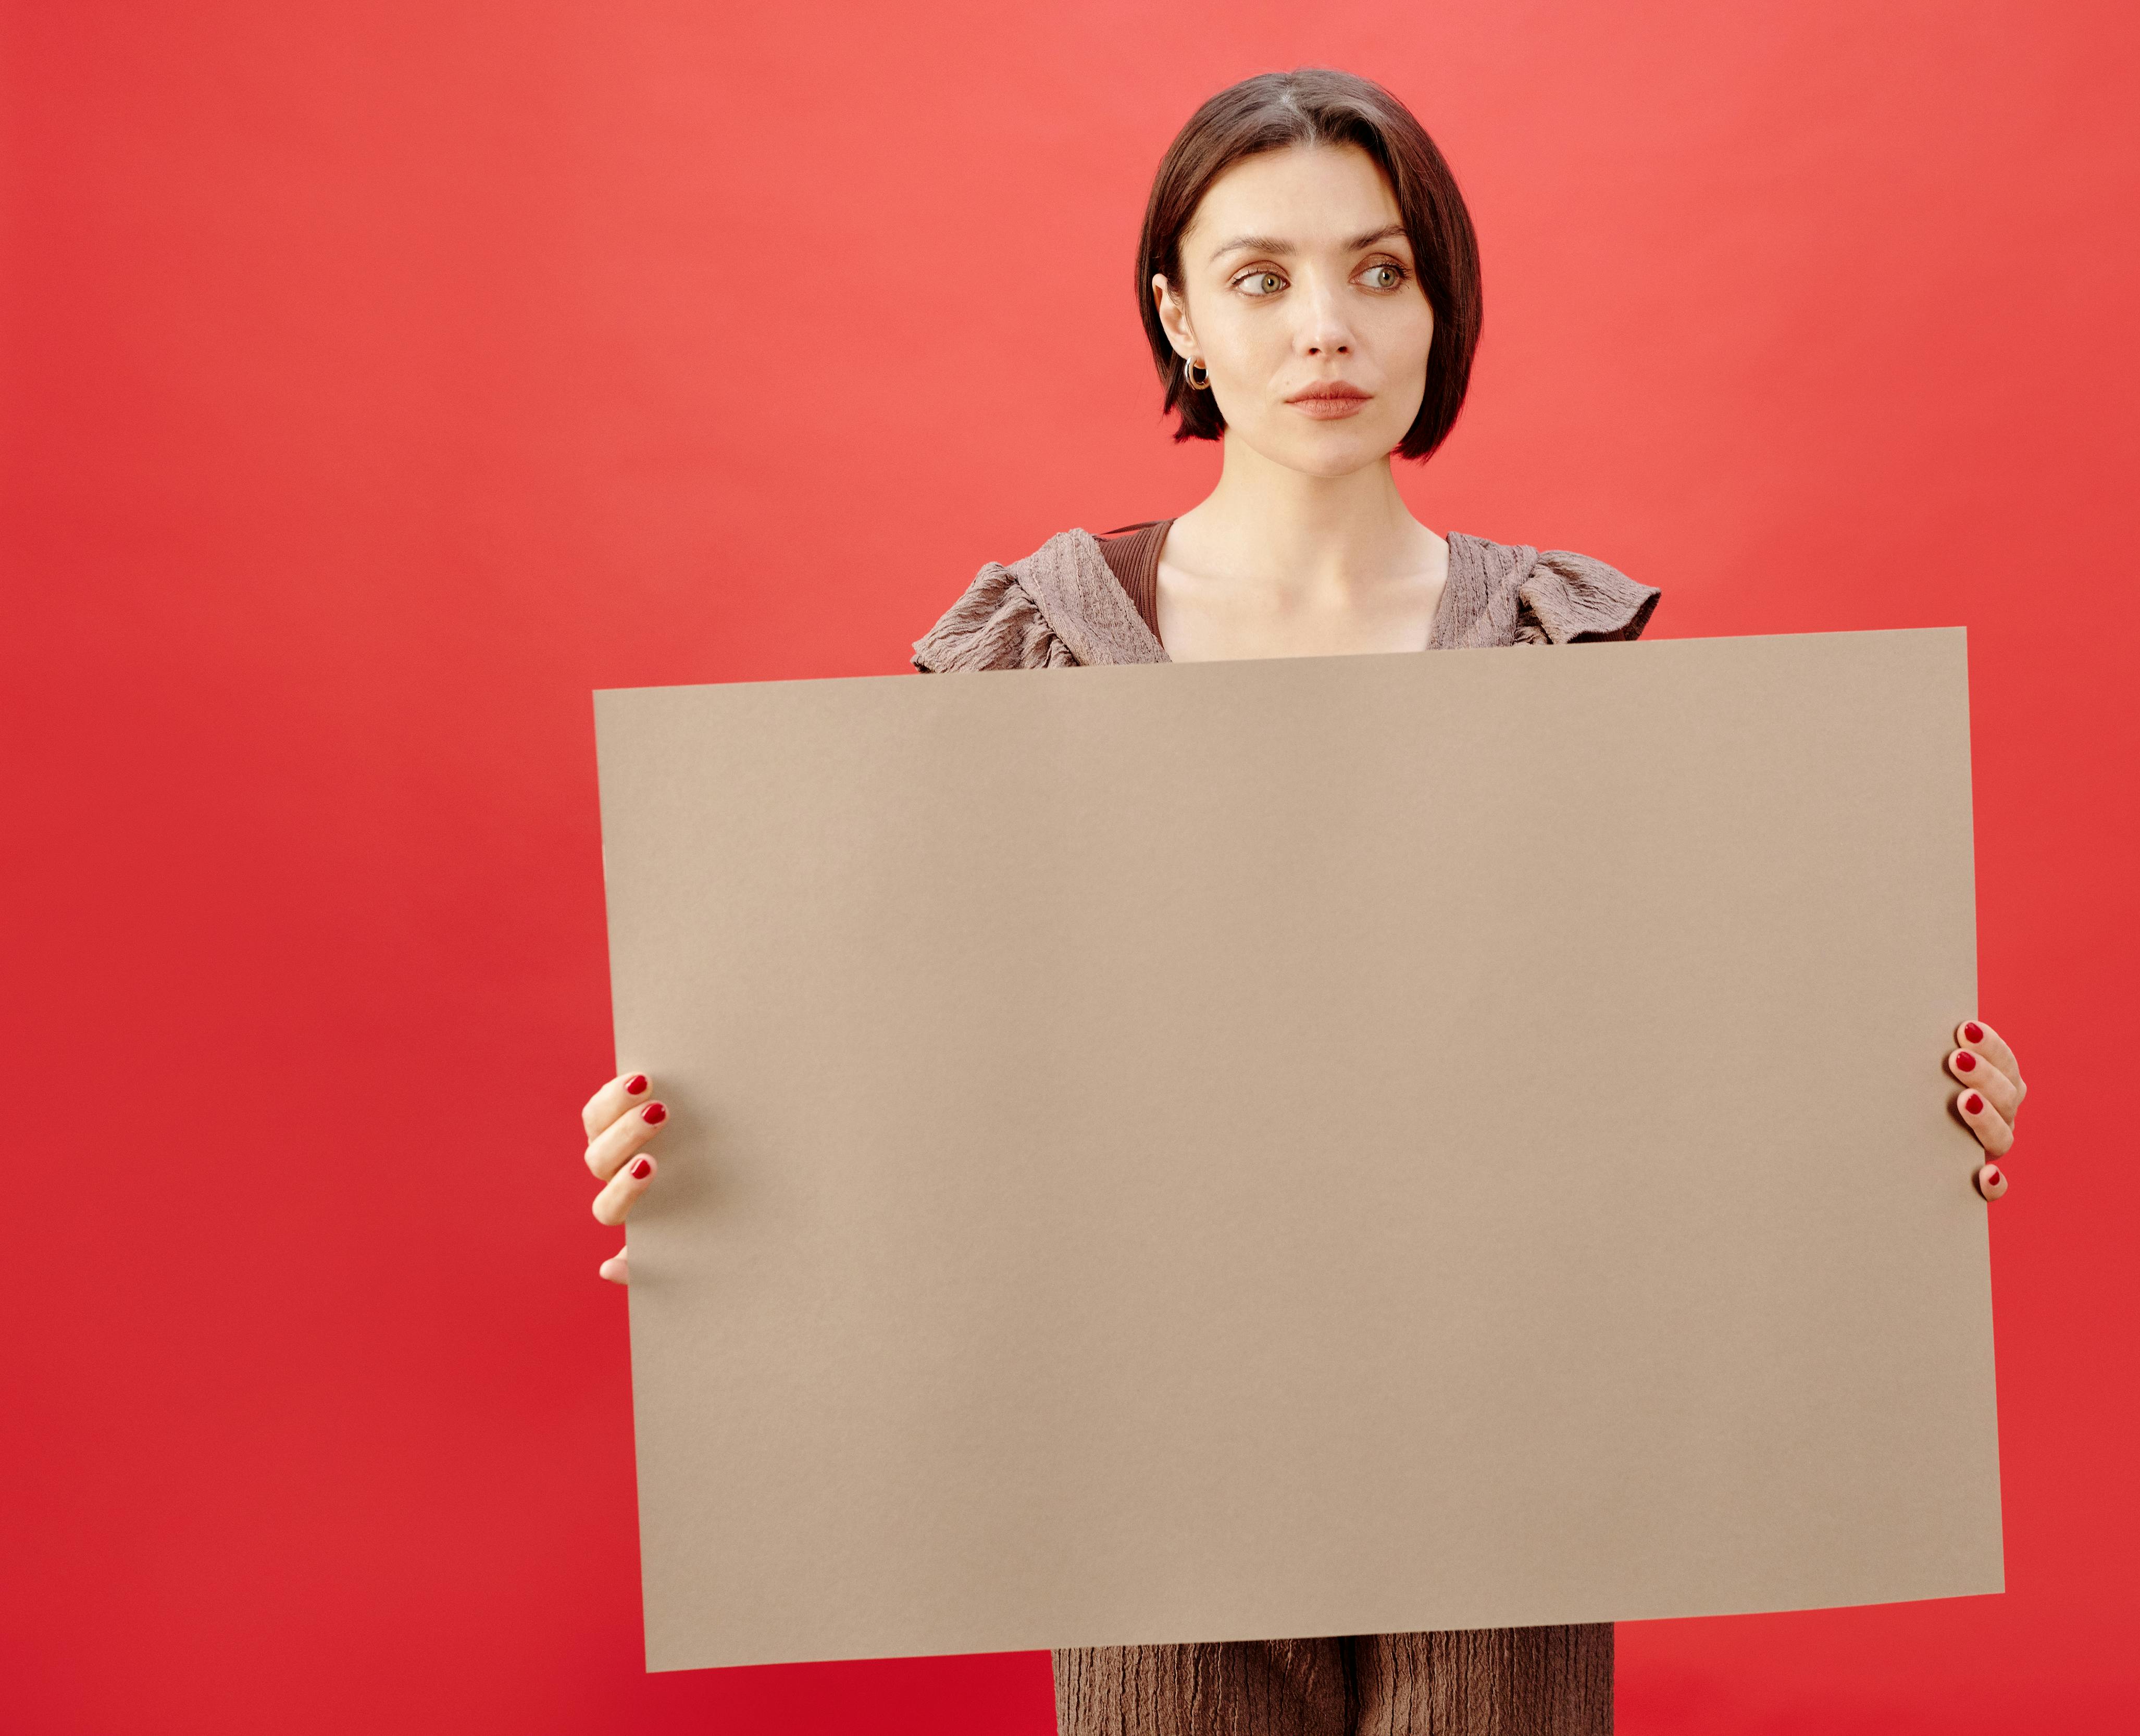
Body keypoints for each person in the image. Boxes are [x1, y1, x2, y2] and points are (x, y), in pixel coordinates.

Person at [573, 66, 2031, 1736]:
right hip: (1139, 1463)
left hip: (1510, 1464)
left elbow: (1683, 1066)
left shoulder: (1561, 654)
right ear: (1177, 316)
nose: (1323, 327)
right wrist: (702, 1181)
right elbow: (915, 1058)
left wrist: (1919, 1120)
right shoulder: (1033, 652)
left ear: (1439, 306)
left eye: (1380, 269)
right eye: (1260, 277)